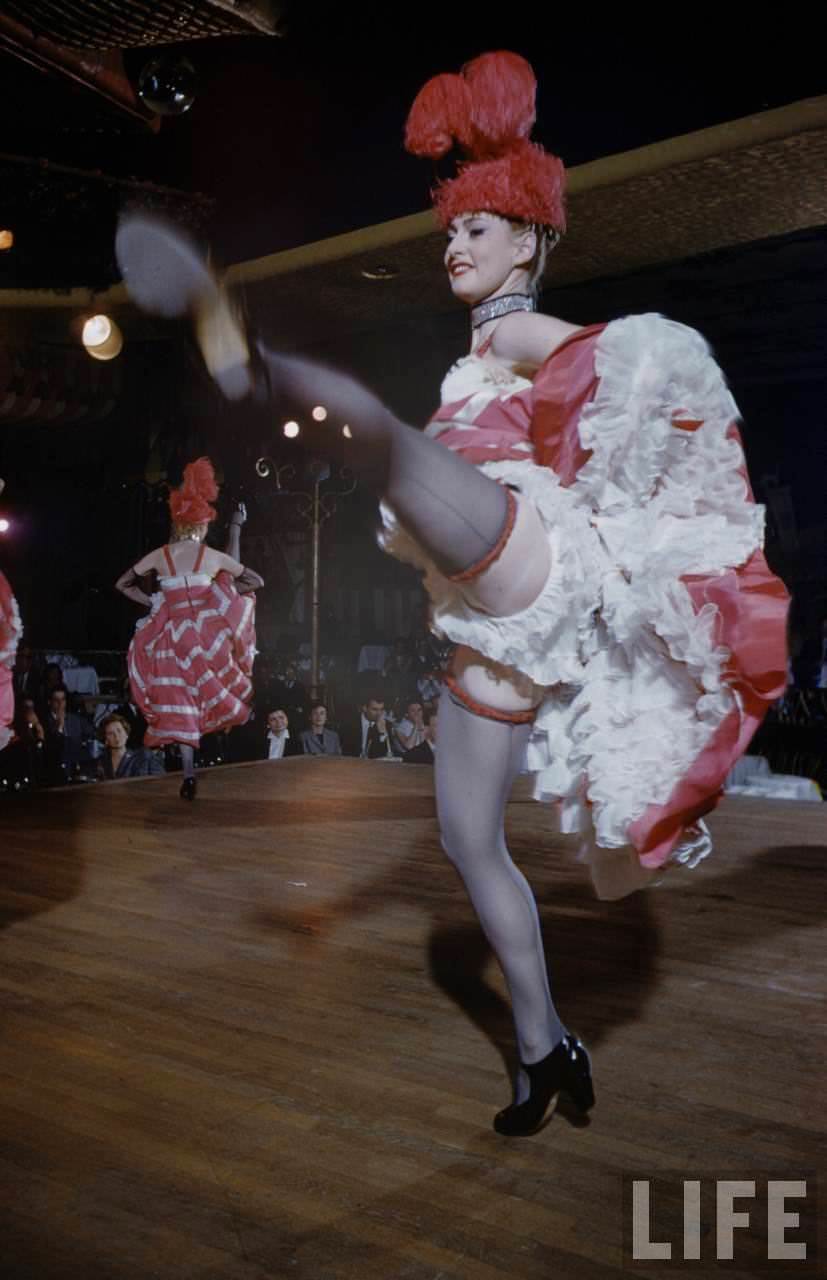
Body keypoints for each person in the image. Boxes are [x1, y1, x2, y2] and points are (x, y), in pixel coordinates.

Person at [115, 52, 790, 1135]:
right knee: (467, 842)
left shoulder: (510, 331)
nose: (454, 245)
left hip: (527, 557)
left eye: (476, 229)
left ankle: (246, 351)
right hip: (485, 633)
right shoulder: (471, 350)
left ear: (528, 238)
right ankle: (541, 1045)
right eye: (447, 232)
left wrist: (597, 394)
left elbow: (594, 366)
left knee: (375, 438)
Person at [116, 460, 263, 800]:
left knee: (180, 701)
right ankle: (219, 744)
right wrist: (223, 594)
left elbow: (122, 583)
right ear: (201, 525)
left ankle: (188, 774)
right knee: (213, 685)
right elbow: (253, 580)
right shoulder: (209, 555)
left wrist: (152, 600)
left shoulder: (160, 555)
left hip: (168, 634)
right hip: (203, 633)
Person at [98, 713, 165, 780]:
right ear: (105, 739)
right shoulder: (100, 762)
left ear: (126, 734)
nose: (116, 736)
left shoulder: (144, 756)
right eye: (110, 733)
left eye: (119, 731)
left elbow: (161, 781)